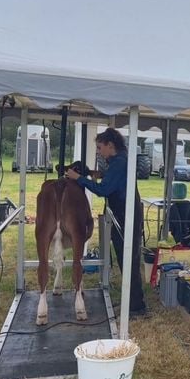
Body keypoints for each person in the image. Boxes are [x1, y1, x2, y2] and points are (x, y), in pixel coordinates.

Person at [66, 128, 147, 317]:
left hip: (125, 215)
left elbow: (103, 190)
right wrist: (99, 173)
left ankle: (137, 306)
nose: (98, 151)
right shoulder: (120, 160)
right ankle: (132, 302)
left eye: (100, 147)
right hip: (124, 213)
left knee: (128, 260)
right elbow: (114, 180)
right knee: (126, 259)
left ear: (111, 145)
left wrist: (79, 179)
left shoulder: (119, 163)